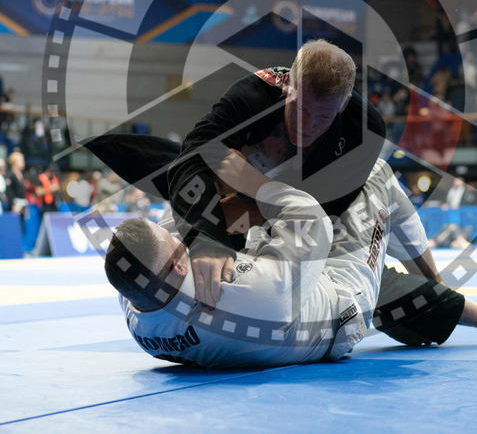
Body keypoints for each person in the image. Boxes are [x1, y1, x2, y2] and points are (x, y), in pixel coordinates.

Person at [106, 155, 477, 369]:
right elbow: (311, 221)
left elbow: (171, 225)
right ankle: (462, 298)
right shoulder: (246, 288)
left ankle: (467, 309)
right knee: (375, 173)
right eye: (181, 247)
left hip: (289, 309)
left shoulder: (138, 316)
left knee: (237, 227)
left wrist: (201, 231)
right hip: (340, 308)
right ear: (182, 266)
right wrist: (251, 180)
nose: (182, 239)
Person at [164, 40, 387, 308]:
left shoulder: (367, 130)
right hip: (258, 189)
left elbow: (331, 205)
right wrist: (205, 240)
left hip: (343, 202)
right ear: (287, 86)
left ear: (344, 104)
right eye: (300, 108)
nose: (306, 126)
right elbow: (189, 158)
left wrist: (257, 205)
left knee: (415, 308)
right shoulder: (252, 97)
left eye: (323, 117)